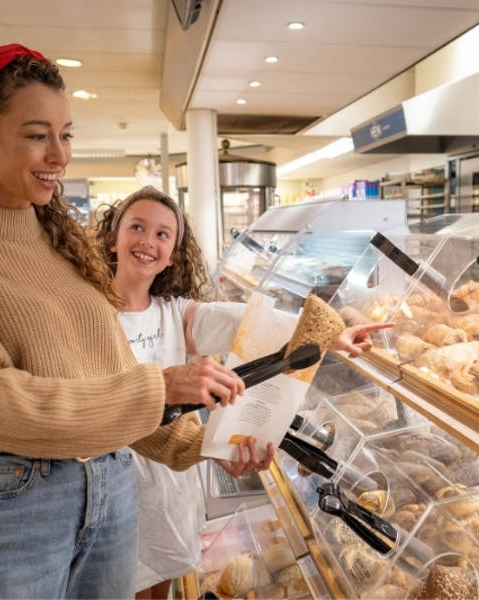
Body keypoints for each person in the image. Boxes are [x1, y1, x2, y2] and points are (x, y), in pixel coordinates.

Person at [0, 44, 258, 600]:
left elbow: (105, 376)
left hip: (113, 478)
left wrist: (207, 445)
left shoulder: (62, 241)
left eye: (66, 134)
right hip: (20, 496)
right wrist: (159, 387)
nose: (59, 155)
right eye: (37, 135)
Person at [93, 186, 393, 599]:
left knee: (163, 579)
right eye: (137, 227)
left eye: (163, 234)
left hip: (170, 487)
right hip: (112, 486)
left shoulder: (175, 314)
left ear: (174, 255)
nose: (148, 241)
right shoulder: (90, 314)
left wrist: (328, 335)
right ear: (113, 239)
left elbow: (244, 322)